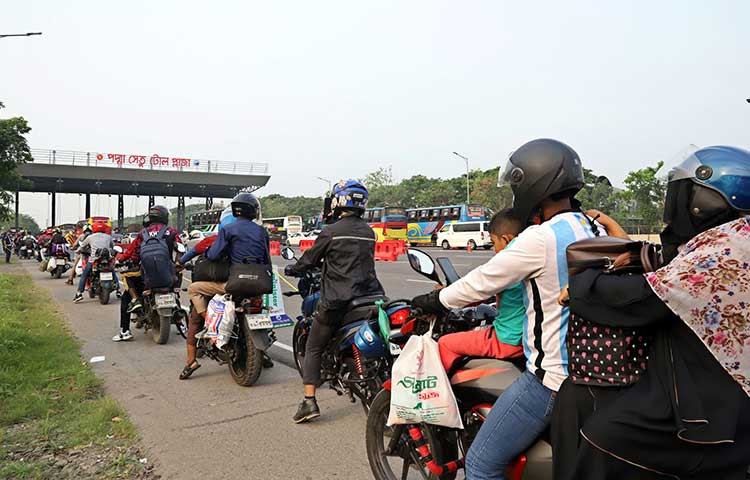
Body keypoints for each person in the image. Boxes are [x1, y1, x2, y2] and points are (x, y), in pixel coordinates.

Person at [411, 139, 603, 480]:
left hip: (553, 379)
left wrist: (434, 300)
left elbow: (483, 281)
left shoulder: (541, 237)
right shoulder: (593, 227)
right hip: (598, 368)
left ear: (533, 185)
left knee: (482, 464)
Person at [556, 145, 750, 480]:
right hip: (717, 384)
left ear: (706, 200)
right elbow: (672, 265)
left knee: (605, 436)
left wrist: (582, 287)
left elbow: (644, 301)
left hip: (722, 402)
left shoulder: (723, 252)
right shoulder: (731, 238)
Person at [284, 179, 384, 423]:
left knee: (314, 346)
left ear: (339, 202)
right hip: (371, 296)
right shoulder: (368, 232)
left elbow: (309, 260)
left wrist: (292, 268)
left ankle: (309, 401)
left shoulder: (331, 231)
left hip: (338, 300)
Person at [179, 200, 270, 380]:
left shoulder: (224, 233)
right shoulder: (261, 231)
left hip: (231, 284)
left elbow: (212, 254)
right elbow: (266, 257)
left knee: (194, 290)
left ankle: (194, 353)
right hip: (260, 283)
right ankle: (264, 352)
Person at [436, 209, 526, 372]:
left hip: (508, 340)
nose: (494, 249)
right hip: (525, 336)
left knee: (445, 343)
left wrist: (438, 298)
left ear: (506, 239)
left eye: (493, 242)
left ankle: (445, 395)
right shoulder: (530, 253)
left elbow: (476, 286)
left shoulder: (511, 259)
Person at [113, 205, 182, 342]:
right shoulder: (171, 232)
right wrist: (179, 264)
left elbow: (132, 253)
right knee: (174, 287)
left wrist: (120, 259)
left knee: (126, 296)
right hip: (168, 275)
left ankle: (125, 331)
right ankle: (180, 323)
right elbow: (180, 248)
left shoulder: (142, 233)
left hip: (147, 277)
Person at [73, 222, 118, 303]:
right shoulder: (108, 237)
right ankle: (118, 291)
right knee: (113, 272)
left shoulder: (90, 237)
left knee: (84, 275)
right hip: (107, 260)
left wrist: (77, 251)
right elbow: (112, 246)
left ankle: (79, 293)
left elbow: (82, 246)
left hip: (94, 260)